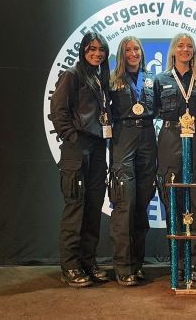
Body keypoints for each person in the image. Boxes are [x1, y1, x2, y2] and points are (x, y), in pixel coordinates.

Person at [50, 31, 112, 288]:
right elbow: (58, 110)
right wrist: (72, 136)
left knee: (93, 207)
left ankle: (88, 261)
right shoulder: (72, 75)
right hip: (77, 149)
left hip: (98, 148)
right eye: (91, 49)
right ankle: (70, 266)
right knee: (75, 208)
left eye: (101, 49)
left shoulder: (100, 78)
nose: (96, 53)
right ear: (83, 50)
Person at [154, 33, 196, 282]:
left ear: (194, 51)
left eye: (189, 46)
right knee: (172, 200)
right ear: (173, 51)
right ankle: (177, 263)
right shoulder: (160, 79)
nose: (185, 49)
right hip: (169, 140)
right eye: (181, 45)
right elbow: (154, 108)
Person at [109, 36, 157, 286]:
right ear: (121, 53)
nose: (133, 53)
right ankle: (123, 266)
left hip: (148, 138)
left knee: (142, 204)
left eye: (136, 48)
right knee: (124, 205)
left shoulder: (152, 79)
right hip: (123, 138)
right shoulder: (112, 80)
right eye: (127, 50)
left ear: (142, 52)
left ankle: (137, 264)